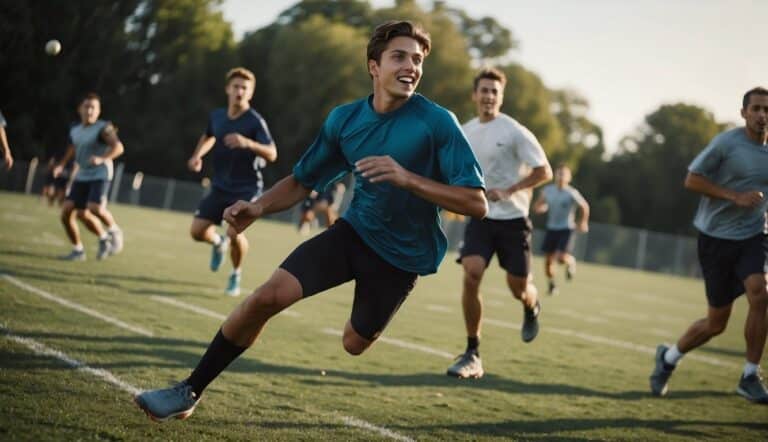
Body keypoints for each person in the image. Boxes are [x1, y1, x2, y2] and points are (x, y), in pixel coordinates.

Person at [134, 20, 487, 422]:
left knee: (354, 343)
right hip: (353, 233)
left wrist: (407, 178)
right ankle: (189, 390)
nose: (411, 66)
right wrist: (258, 206)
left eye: (418, 59)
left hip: (401, 259)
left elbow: (476, 202)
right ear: (374, 66)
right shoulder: (344, 121)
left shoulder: (438, 122)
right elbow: (304, 181)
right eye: (400, 57)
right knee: (266, 297)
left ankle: (363, 320)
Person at [650, 86, 768, 404]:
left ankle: (749, 375)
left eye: (766, 110)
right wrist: (735, 197)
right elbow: (692, 179)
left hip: (753, 235)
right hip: (716, 239)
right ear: (743, 113)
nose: (761, 115)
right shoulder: (727, 144)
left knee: (760, 291)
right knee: (716, 323)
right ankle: (669, 358)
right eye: (756, 109)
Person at [447, 67, 552, 379]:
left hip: (514, 220)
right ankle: (472, 351)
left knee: (518, 288)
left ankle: (532, 305)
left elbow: (543, 171)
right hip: (481, 217)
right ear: (475, 95)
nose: (489, 96)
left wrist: (509, 190)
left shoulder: (514, 131)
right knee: (471, 272)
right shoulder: (465, 130)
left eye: (495, 91)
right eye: (484, 90)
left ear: (501, 97)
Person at [187, 67, 277, 297]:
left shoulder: (255, 121)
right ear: (228, 88)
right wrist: (198, 155)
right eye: (236, 86)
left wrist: (247, 143)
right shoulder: (217, 116)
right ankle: (217, 244)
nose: (239, 91)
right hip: (220, 185)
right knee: (197, 231)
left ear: (251, 93)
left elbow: (272, 153)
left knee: (234, 232)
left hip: (247, 187)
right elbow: (209, 136)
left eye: (244, 88)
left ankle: (235, 273)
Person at [54, 93, 124, 261]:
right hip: (83, 174)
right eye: (87, 106)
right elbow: (72, 148)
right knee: (68, 212)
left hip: (101, 173)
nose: (90, 110)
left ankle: (114, 231)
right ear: (80, 109)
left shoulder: (104, 128)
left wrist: (102, 158)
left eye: (94, 107)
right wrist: (61, 164)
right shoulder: (75, 129)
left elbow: (119, 147)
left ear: (99, 111)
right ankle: (79, 250)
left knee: (95, 208)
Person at [533, 164, 589, 295]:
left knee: (560, 257)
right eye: (558, 173)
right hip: (551, 229)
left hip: (566, 229)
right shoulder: (548, 190)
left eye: (563, 174)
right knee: (548, 262)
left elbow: (584, 206)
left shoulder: (571, 193)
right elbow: (538, 205)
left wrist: (583, 222)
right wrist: (540, 208)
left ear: (569, 178)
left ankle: (571, 262)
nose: (560, 176)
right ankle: (552, 285)